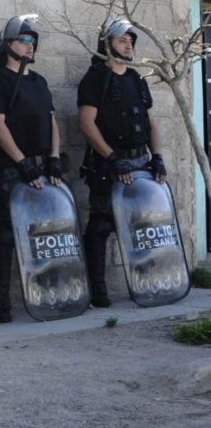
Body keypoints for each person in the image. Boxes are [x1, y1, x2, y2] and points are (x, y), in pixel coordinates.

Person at [77, 17, 166, 308]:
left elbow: (151, 122)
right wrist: (112, 159)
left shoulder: (137, 80)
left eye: (130, 40)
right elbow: (87, 124)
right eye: (121, 40)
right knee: (101, 226)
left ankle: (147, 282)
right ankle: (99, 292)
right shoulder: (95, 79)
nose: (128, 44)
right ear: (106, 44)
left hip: (141, 162)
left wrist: (158, 158)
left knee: (144, 224)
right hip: (108, 166)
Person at [0, 14, 63, 323]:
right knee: (5, 235)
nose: (30, 46)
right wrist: (22, 162)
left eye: (33, 42)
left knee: (47, 234)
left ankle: (49, 297)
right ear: (7, 45)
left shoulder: (39, 81)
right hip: (12, 170)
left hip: (43, 168)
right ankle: (3, 305)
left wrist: (54, 157)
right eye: (24, 40)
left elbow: (51, 120)